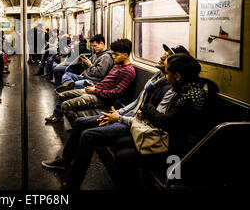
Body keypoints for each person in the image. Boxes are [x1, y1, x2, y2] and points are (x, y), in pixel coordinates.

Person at [41, 44, 189, 189]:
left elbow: (152, 118)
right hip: (127, 115)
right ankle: (65, 160)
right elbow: (137, 103)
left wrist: (119, 117)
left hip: (136, 123)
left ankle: (73, 184)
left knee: (88, 135)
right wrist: (120, 112)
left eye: (169, 56)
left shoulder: (169, 88)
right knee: (80, 122)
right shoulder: (157, 77)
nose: (163, 56)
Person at [113, 53, 218, 189]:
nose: (166, 78)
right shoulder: (185, 88)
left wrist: (147, 108)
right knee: (120, 142)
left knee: (123, 156)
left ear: (178, 76)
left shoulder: (192, 95)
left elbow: (166, 122)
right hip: (172, 138)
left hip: (178, 150)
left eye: (167, 74)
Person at [45, 39, 136, 123]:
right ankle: (69, 114)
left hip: (105, 99)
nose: (114, 57)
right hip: (97, 89)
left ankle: (78, 126)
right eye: (113, 54)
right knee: (62, 95)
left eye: (117, 55)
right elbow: (107, 81)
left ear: (125, 55)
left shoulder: (128, 71)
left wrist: (95, 90)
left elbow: (116, 92)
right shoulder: (117, 65)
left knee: (65, 105)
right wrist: (95, 86)